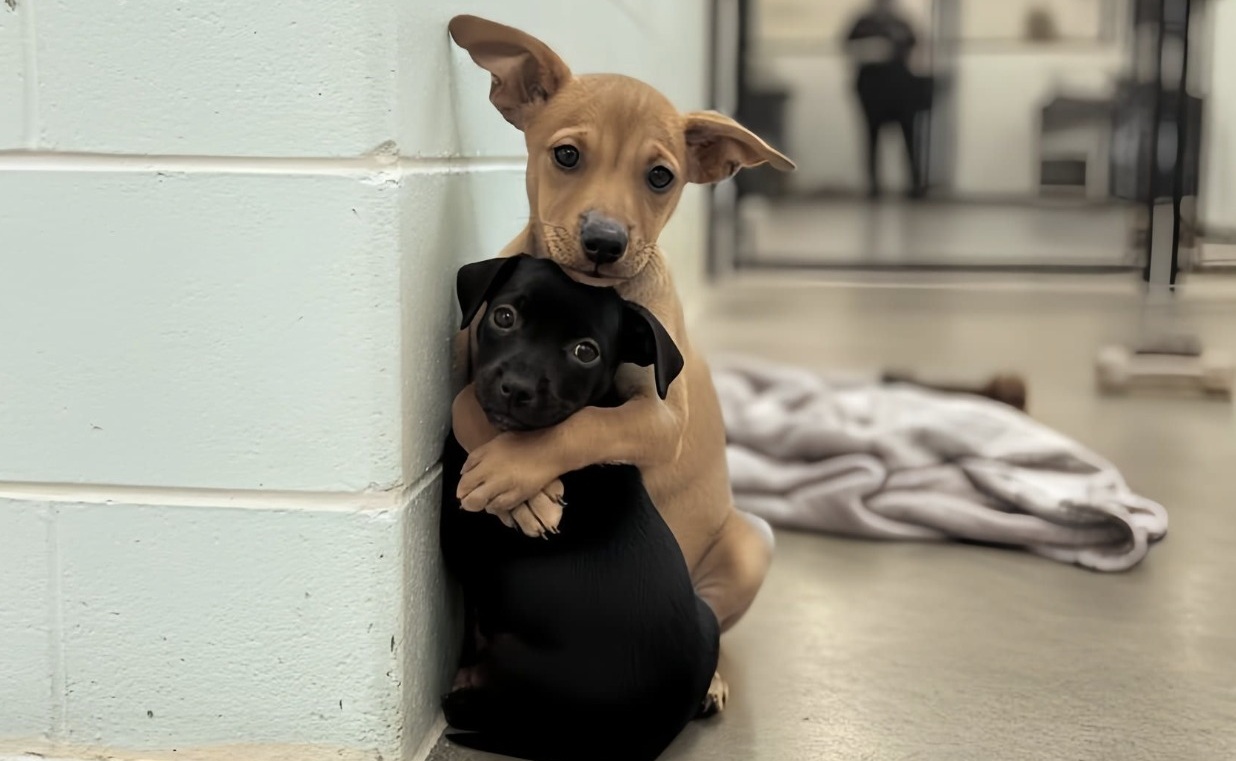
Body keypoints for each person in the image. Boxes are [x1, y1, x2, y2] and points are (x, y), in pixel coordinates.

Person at [843, 0, 929, 199]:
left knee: (909, 138)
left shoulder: (901, 23)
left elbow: (913, 45)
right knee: (871, 138)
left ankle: (915, 185)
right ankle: (874, 186)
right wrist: (869, 50)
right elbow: (848, 46)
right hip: (871, 89)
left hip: (900, 88)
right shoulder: (863, 23)